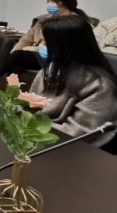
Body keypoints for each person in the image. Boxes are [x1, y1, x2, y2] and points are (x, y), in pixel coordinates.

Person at [29, 15, 117, 151]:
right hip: (39, 138)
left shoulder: (100, 86)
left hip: (75, 150)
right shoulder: (52, 68)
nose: (40, 47)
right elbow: (29, 105)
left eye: (46, 43)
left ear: (64, 47)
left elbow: (77, 133)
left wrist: (28, 127)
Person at [6, 0, 91, 75]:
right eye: (48, 1)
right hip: (42, 55)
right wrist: (13, 52)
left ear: (65, 2)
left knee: (18, 56)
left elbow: (69, 49)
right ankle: (13, 83)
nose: (49, 4)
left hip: (59, 59)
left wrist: (35, 49)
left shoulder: (77, 23)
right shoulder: (43, 19)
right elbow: (26, 39)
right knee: (16, 63)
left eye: (53, 1)